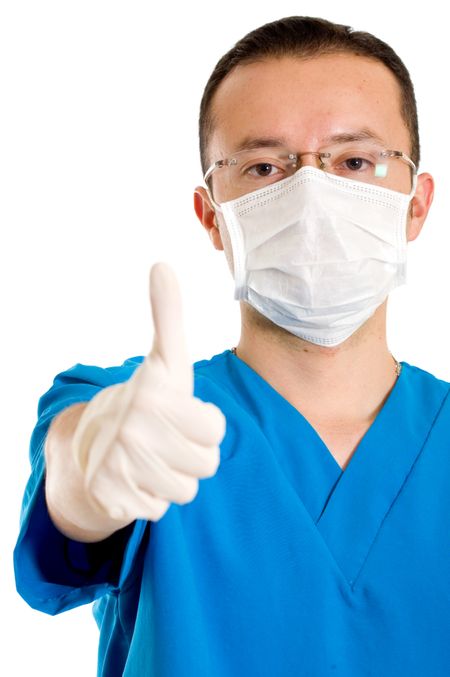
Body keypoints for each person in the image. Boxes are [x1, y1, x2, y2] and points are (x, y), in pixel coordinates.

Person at [14, 15, 449, 677]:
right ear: (212, 214)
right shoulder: (136, 414)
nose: (310, 193)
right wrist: (92, 476)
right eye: (264, 166)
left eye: (355, 161)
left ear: (416, 205)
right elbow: (74, 485)